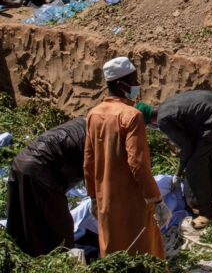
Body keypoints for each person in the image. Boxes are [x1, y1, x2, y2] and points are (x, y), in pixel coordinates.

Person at [84, 56, 170, 258]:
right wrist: (157, 200)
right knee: (143, 253)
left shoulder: (93, 114)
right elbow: (137, 163)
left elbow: (88, 160)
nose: (137, 85)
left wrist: (93, 197)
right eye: (133, 81)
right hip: (132, 202)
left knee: (114, 255)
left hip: (105, 199)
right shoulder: (131, 116)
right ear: (121, 84)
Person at [148, 90, 212, 229]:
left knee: (194, 165)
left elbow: (187, 147)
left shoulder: (163, 120)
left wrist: (179, 172)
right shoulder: (165, 106)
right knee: (203, 157)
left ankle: (207, 213)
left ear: (149, 121)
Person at [5, 117, 86, 256]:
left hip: (21, 162)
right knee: (60, 229)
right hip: (39, 170)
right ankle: (61, 263)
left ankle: (27, 257)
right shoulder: (97, 138)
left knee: (26, 222)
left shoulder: (84, 124)